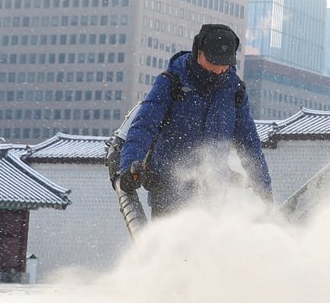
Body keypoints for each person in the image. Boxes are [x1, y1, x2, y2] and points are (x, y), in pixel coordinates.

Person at [116, 23, 273, 217]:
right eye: (214, 62)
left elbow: (249, 145)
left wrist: (264, 191)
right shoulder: (171, 82)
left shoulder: (235, 92)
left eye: (225, 64)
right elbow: (144, 126)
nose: (219, 70)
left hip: (213, 196)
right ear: (198, 52)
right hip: (168, 193)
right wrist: (129, 165)